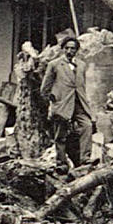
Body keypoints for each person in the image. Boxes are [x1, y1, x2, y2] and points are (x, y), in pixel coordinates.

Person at [42, 31, 90, 166]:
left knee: (87, 126)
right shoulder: (54, 64)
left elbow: (82, 85)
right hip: (62, 104)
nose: (69, 51)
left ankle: (85, 159)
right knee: (60, 135)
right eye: (67, 48)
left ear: (77, 50)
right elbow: (45, 87)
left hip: (79, 103)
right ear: (63, 49)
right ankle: (61, 162)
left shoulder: (82, 65)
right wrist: (53, 101)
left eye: (73, 48)